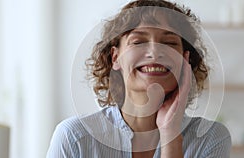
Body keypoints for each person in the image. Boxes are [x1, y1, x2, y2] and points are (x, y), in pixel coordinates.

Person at [47, 0, 231, 157]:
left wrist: (170, 136)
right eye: (138, 42)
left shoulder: (210, 138)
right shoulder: (74, 138)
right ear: (115, 58)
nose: (155, 52)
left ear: (185, 60)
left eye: (169, 43)